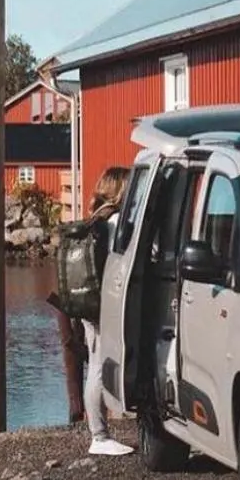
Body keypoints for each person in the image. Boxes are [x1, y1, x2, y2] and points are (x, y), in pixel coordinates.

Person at [83, 165, 135, 456]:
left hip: (87, 302)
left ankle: (99, 434)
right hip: (102, 303)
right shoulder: (115, 222)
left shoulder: (96, 218)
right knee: (100, 366)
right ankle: (99, 437)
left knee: (94, 363)